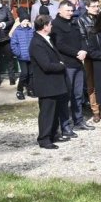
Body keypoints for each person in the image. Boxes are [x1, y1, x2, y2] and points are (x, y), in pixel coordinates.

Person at [50, 0, 91, 131]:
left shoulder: (74, 22)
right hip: (66, 64)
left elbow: (82, 38)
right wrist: (76, 53)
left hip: (78, 62)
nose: (70, 13)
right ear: (59, 10)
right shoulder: (55, 25)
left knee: (78, 94)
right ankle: (65, 124)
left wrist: (84, 50)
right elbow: (60, 45)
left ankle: (78, 120)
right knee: (65, 96)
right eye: (67, 10)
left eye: (72, 10)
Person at [29, 14, 68, 149]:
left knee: (54, 111)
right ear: (45, 26)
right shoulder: (37, 43)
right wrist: (61, 65)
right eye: (50, 24)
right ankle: (44, 139)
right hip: (46, 84)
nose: (52, 26)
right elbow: (45, 65)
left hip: (54, 83)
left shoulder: (46, 39)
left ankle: (53, 134)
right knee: (47, 112)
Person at [9, 12, 35, 100]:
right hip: (22, 56)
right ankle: (19, 90)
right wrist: (18, 53)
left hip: (31, 56)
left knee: (31, 73)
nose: (25, 23)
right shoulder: (17, 31)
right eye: (24, 21)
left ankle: (30, 89)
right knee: (24, 73)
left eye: (27, 21)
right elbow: (13, 44)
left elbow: (36, 39)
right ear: (20, 21)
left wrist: (32, 27)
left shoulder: (31, 30)